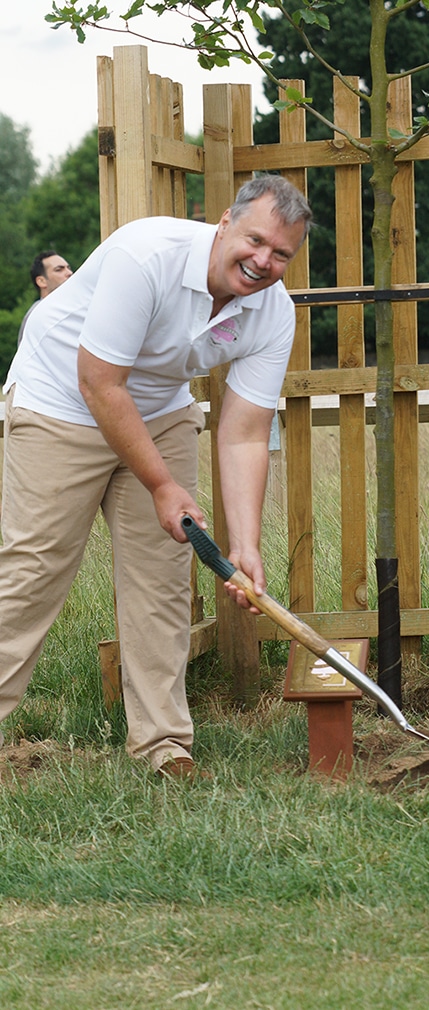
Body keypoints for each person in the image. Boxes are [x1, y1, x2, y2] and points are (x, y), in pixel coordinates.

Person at [1, 174, 312, 779]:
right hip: (63, 398)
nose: (263, 261)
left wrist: (245, 546)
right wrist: (164, 486)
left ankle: (163, 747)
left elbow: (244, 432)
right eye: (255, 241)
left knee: (162, 580)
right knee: (34, 569)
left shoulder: (273, 313)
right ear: (225, 221)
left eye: (281, 254)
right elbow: (100, 383)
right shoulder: (145, 255)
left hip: (161, 408)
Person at [17, 250, 73, 344]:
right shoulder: (37, 314)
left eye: (68, 268)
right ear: (41, 281)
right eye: (59, 269)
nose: (69, 273)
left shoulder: (75, 309)